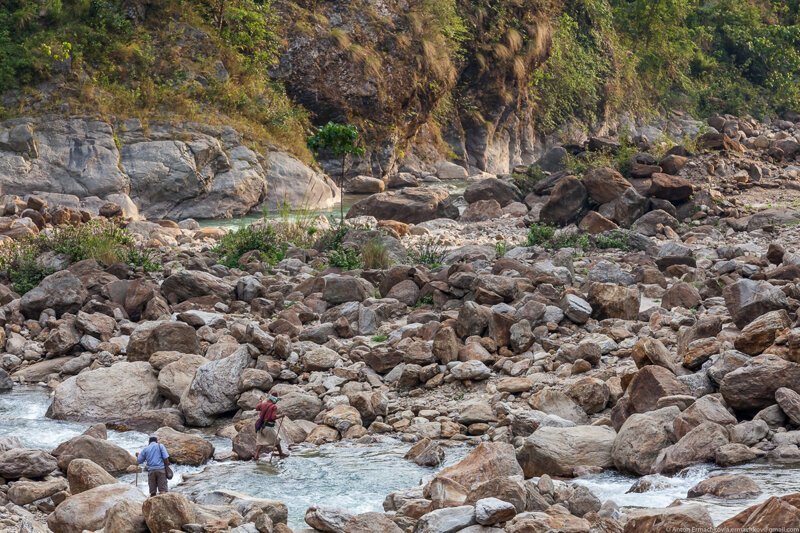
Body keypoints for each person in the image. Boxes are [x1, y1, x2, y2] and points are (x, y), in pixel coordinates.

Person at [254, 393, 288, 462]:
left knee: (260, 442)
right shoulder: (273, 407)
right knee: (277, 440)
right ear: (274, 400)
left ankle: (256, 456)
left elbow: (257, 408)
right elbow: (273, 417)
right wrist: (281, 415)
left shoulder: (263, 404)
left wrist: (261, 402)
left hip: (260, 426)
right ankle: (281, 454)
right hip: (268, 427)